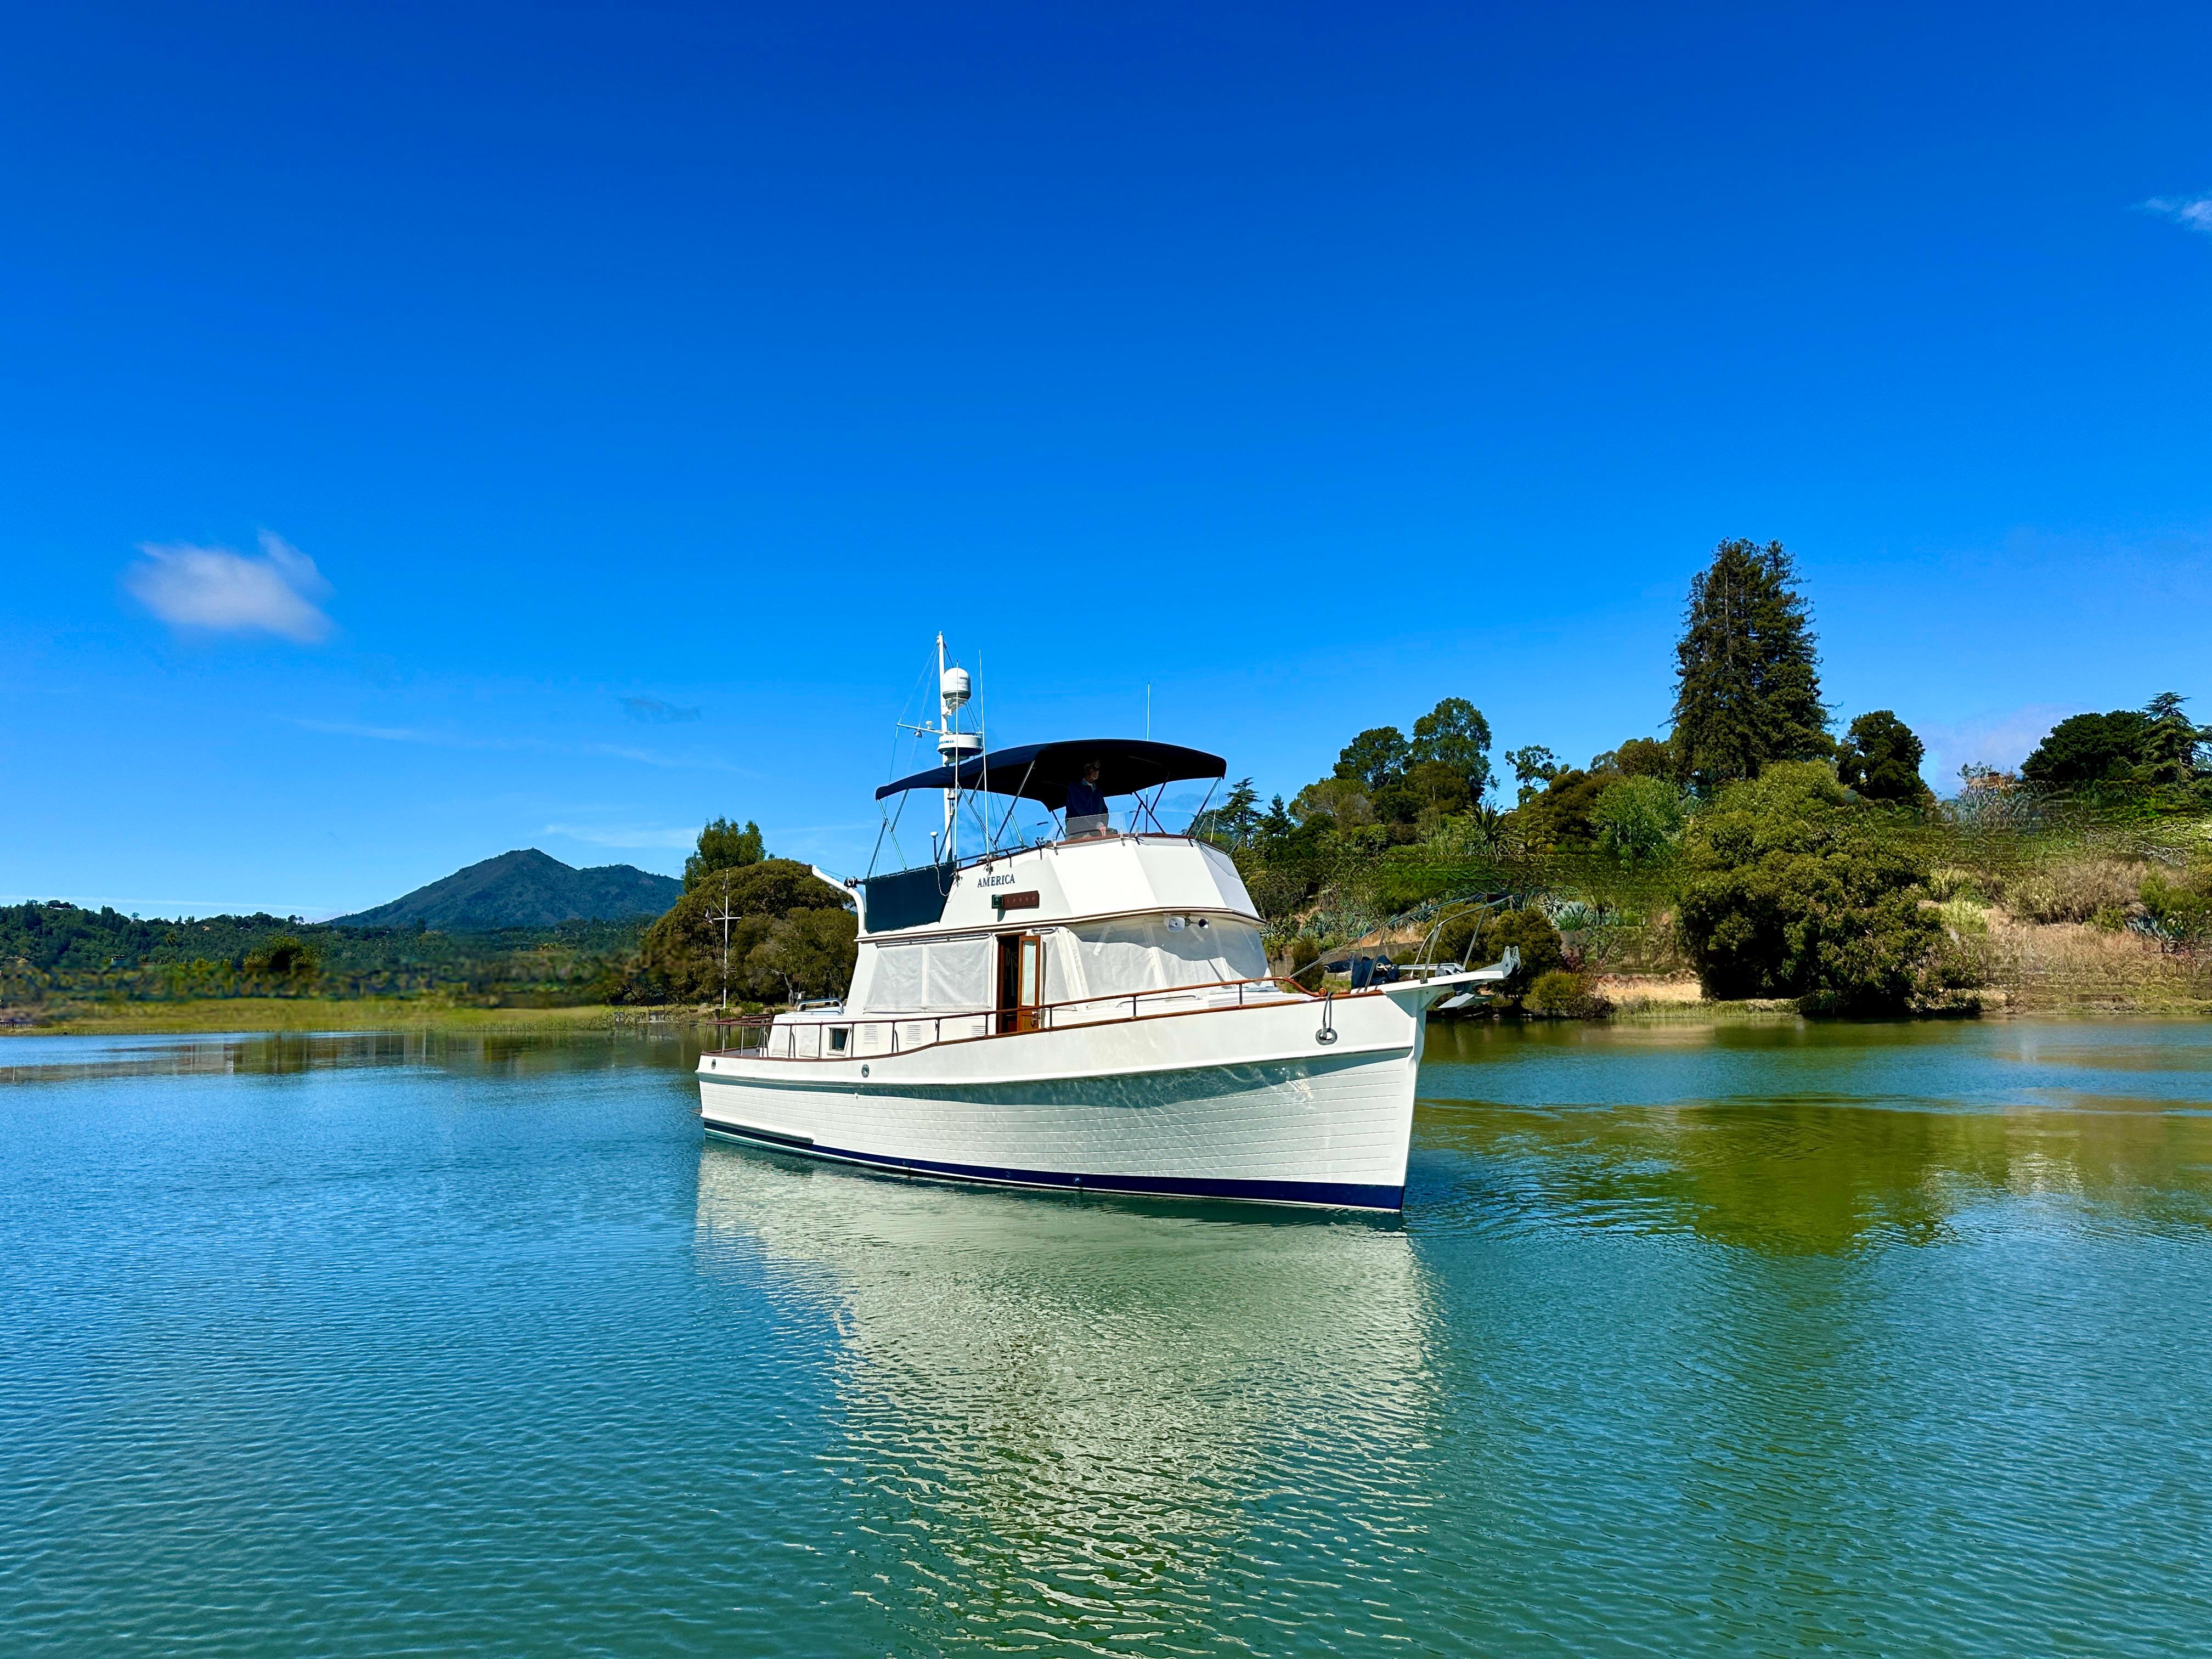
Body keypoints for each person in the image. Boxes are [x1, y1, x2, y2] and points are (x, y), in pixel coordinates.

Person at [1064, 759, 1109, 835]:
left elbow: (1105, 811)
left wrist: (1103, 826)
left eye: (1098, 769)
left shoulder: (1098, 790)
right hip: (1077, 833)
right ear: (1086, 768)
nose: (1097, 772)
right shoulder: (1075, 787)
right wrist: (1098, 825)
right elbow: (1082, 809)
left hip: (1095, 832)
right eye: (1094, 768)